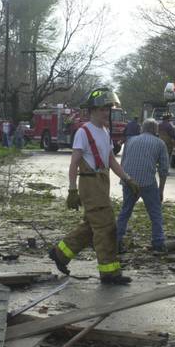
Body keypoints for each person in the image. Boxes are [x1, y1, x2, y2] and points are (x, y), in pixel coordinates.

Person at [48, 88, 140, 285]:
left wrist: (127, 178)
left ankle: (60, 253)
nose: (106, 113)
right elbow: (74, 162)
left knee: (91, 227)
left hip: (102, 182)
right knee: (107, 227)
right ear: (92, 111)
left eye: (108, 109)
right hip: (90, 183)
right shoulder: (84, 131)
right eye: (102, 109)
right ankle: (109, 273)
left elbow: (110, 161)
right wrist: (72, 189)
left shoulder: (105, 132)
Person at [116, 119, 170, 253]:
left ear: (142, 129)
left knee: (125, 211)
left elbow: (123, 163)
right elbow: (163, 169)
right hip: (147, 182)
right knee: (155, 213)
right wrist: (160, 191)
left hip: (129, 181)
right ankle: (158, 242)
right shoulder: (160, 143)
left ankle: (116, 240)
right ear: (156, 130)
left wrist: (125, 180)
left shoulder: (130, 141)